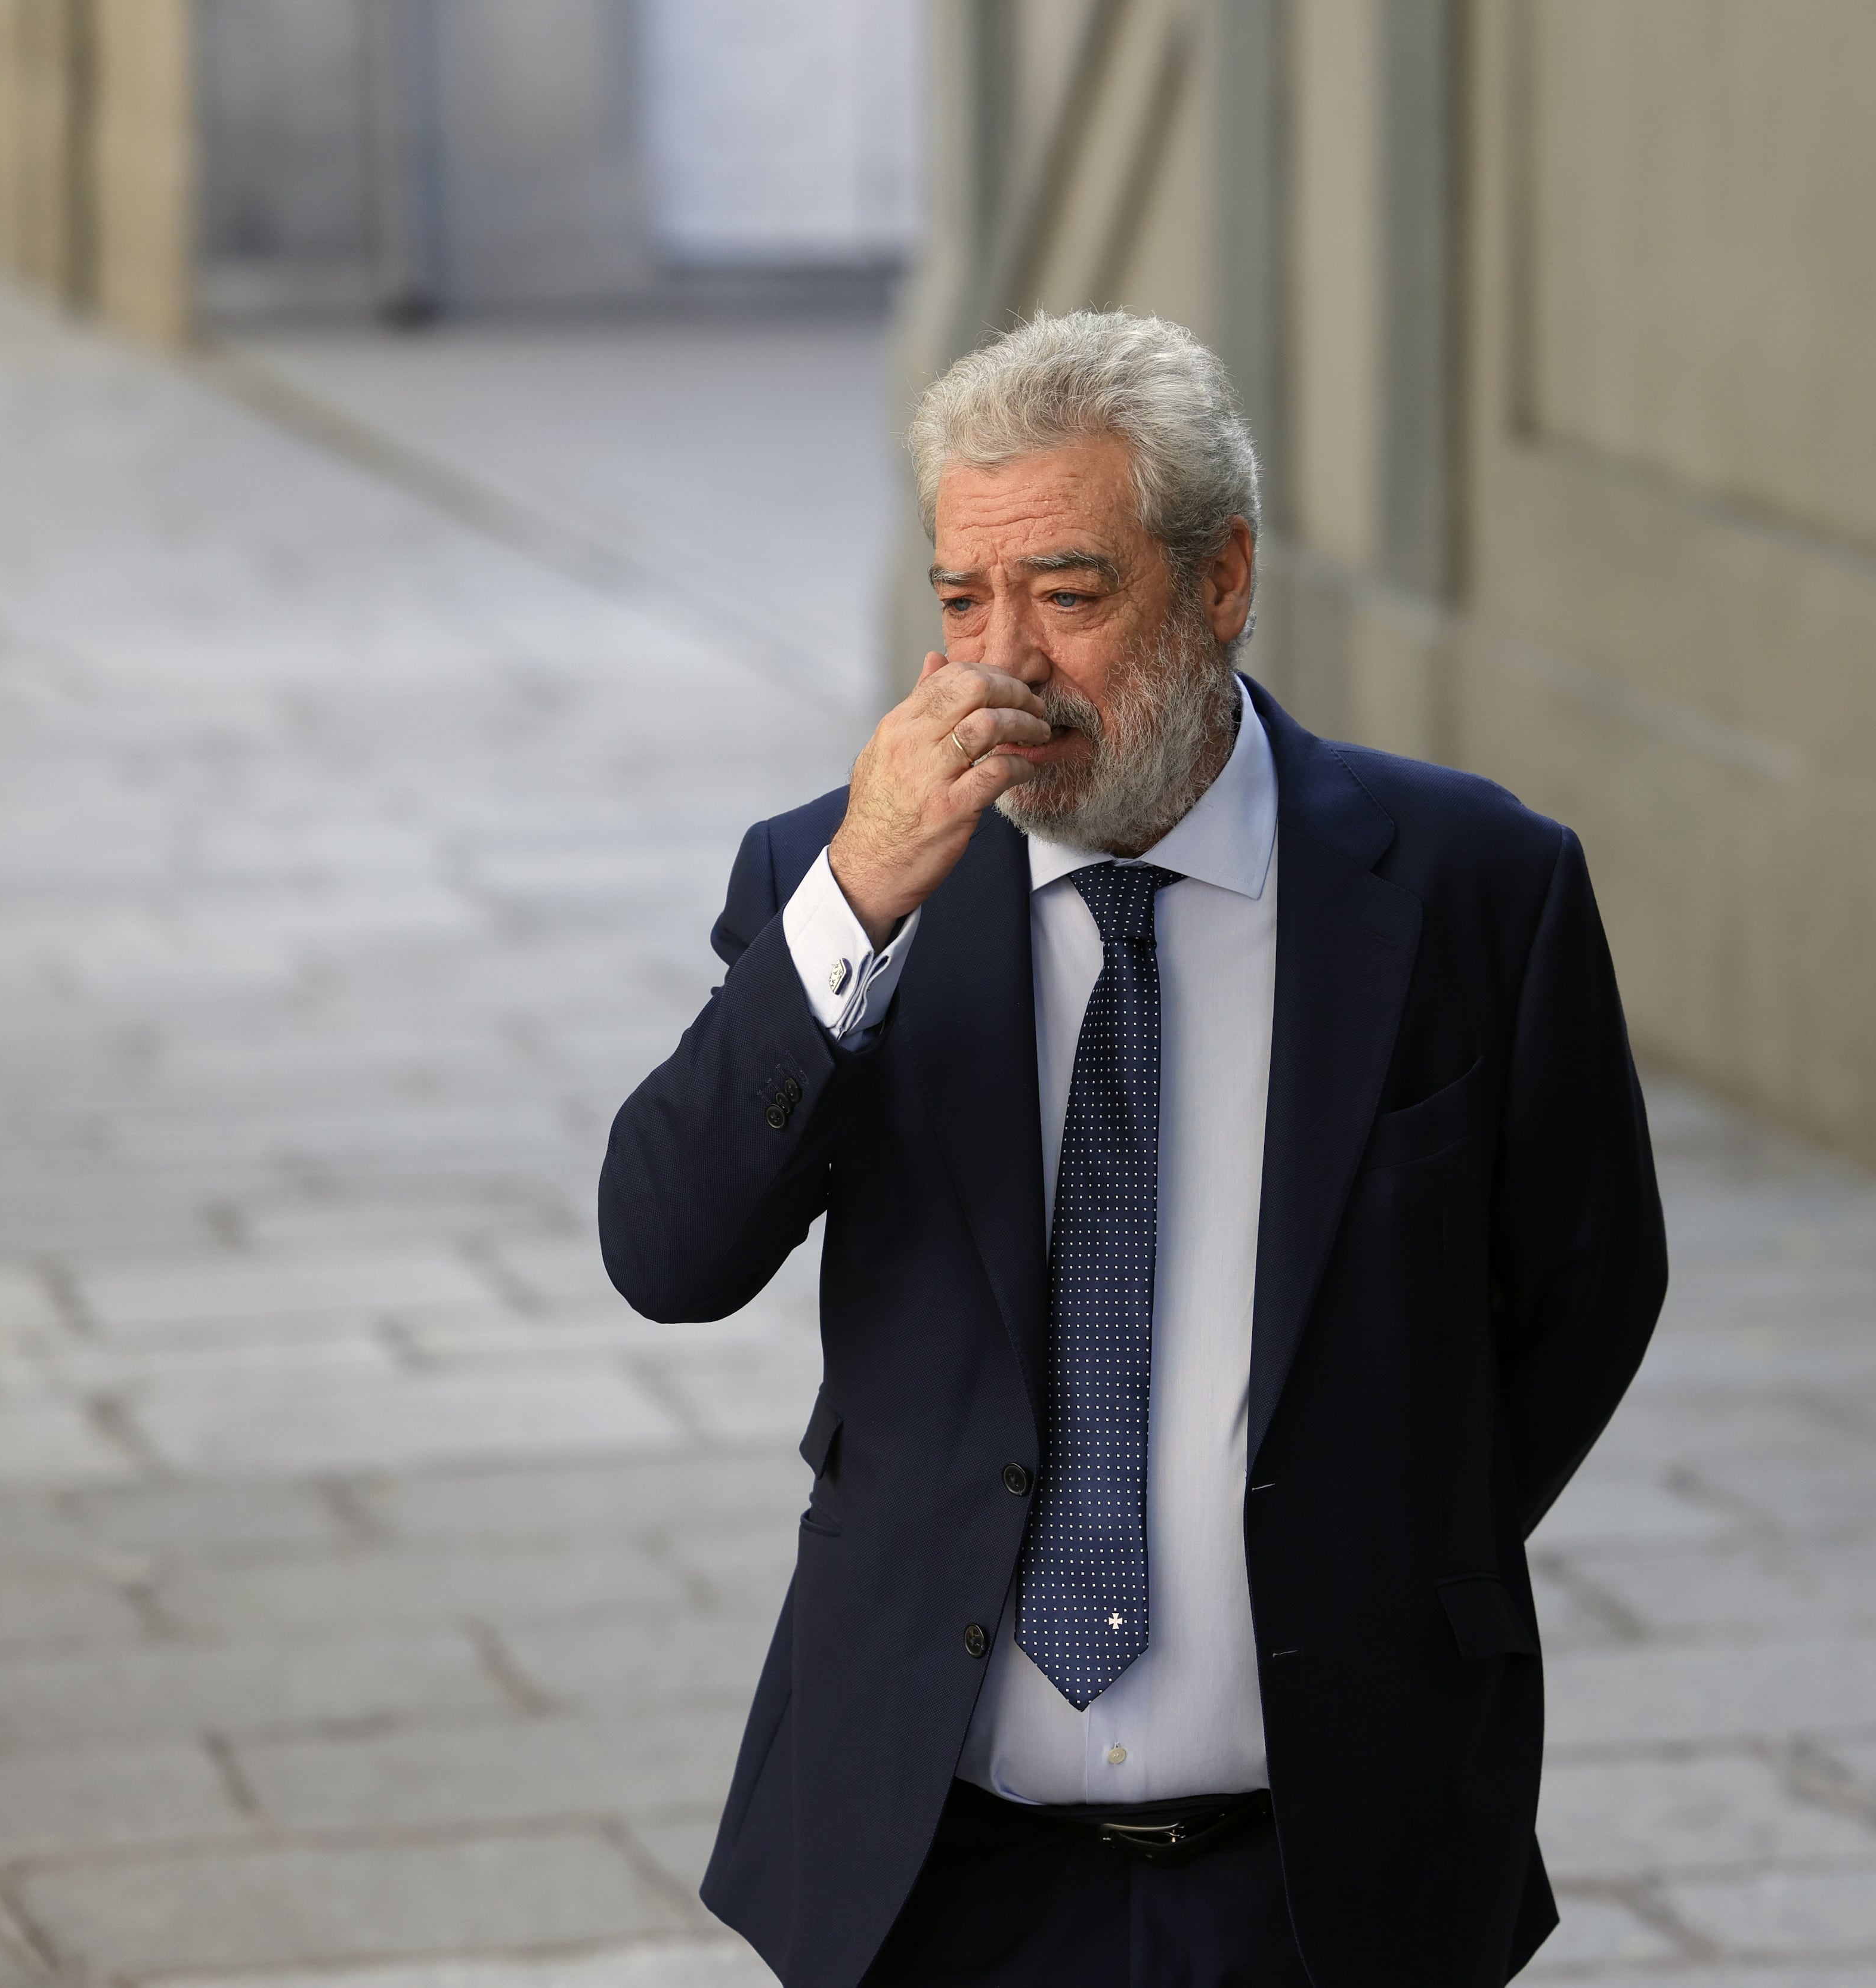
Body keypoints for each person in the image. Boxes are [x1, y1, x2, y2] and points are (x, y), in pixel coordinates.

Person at [600, 310, 1665, 1987]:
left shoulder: (1474, 890)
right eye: (964, 601)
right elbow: (665, 1252)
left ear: (1222, 582)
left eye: (1068, 595)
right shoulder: (847, 886)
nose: (1001, 665)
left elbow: (1585, 1296)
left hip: (1333, 1879)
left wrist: (1380, 1544)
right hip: (936, 1874)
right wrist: (856, 906)